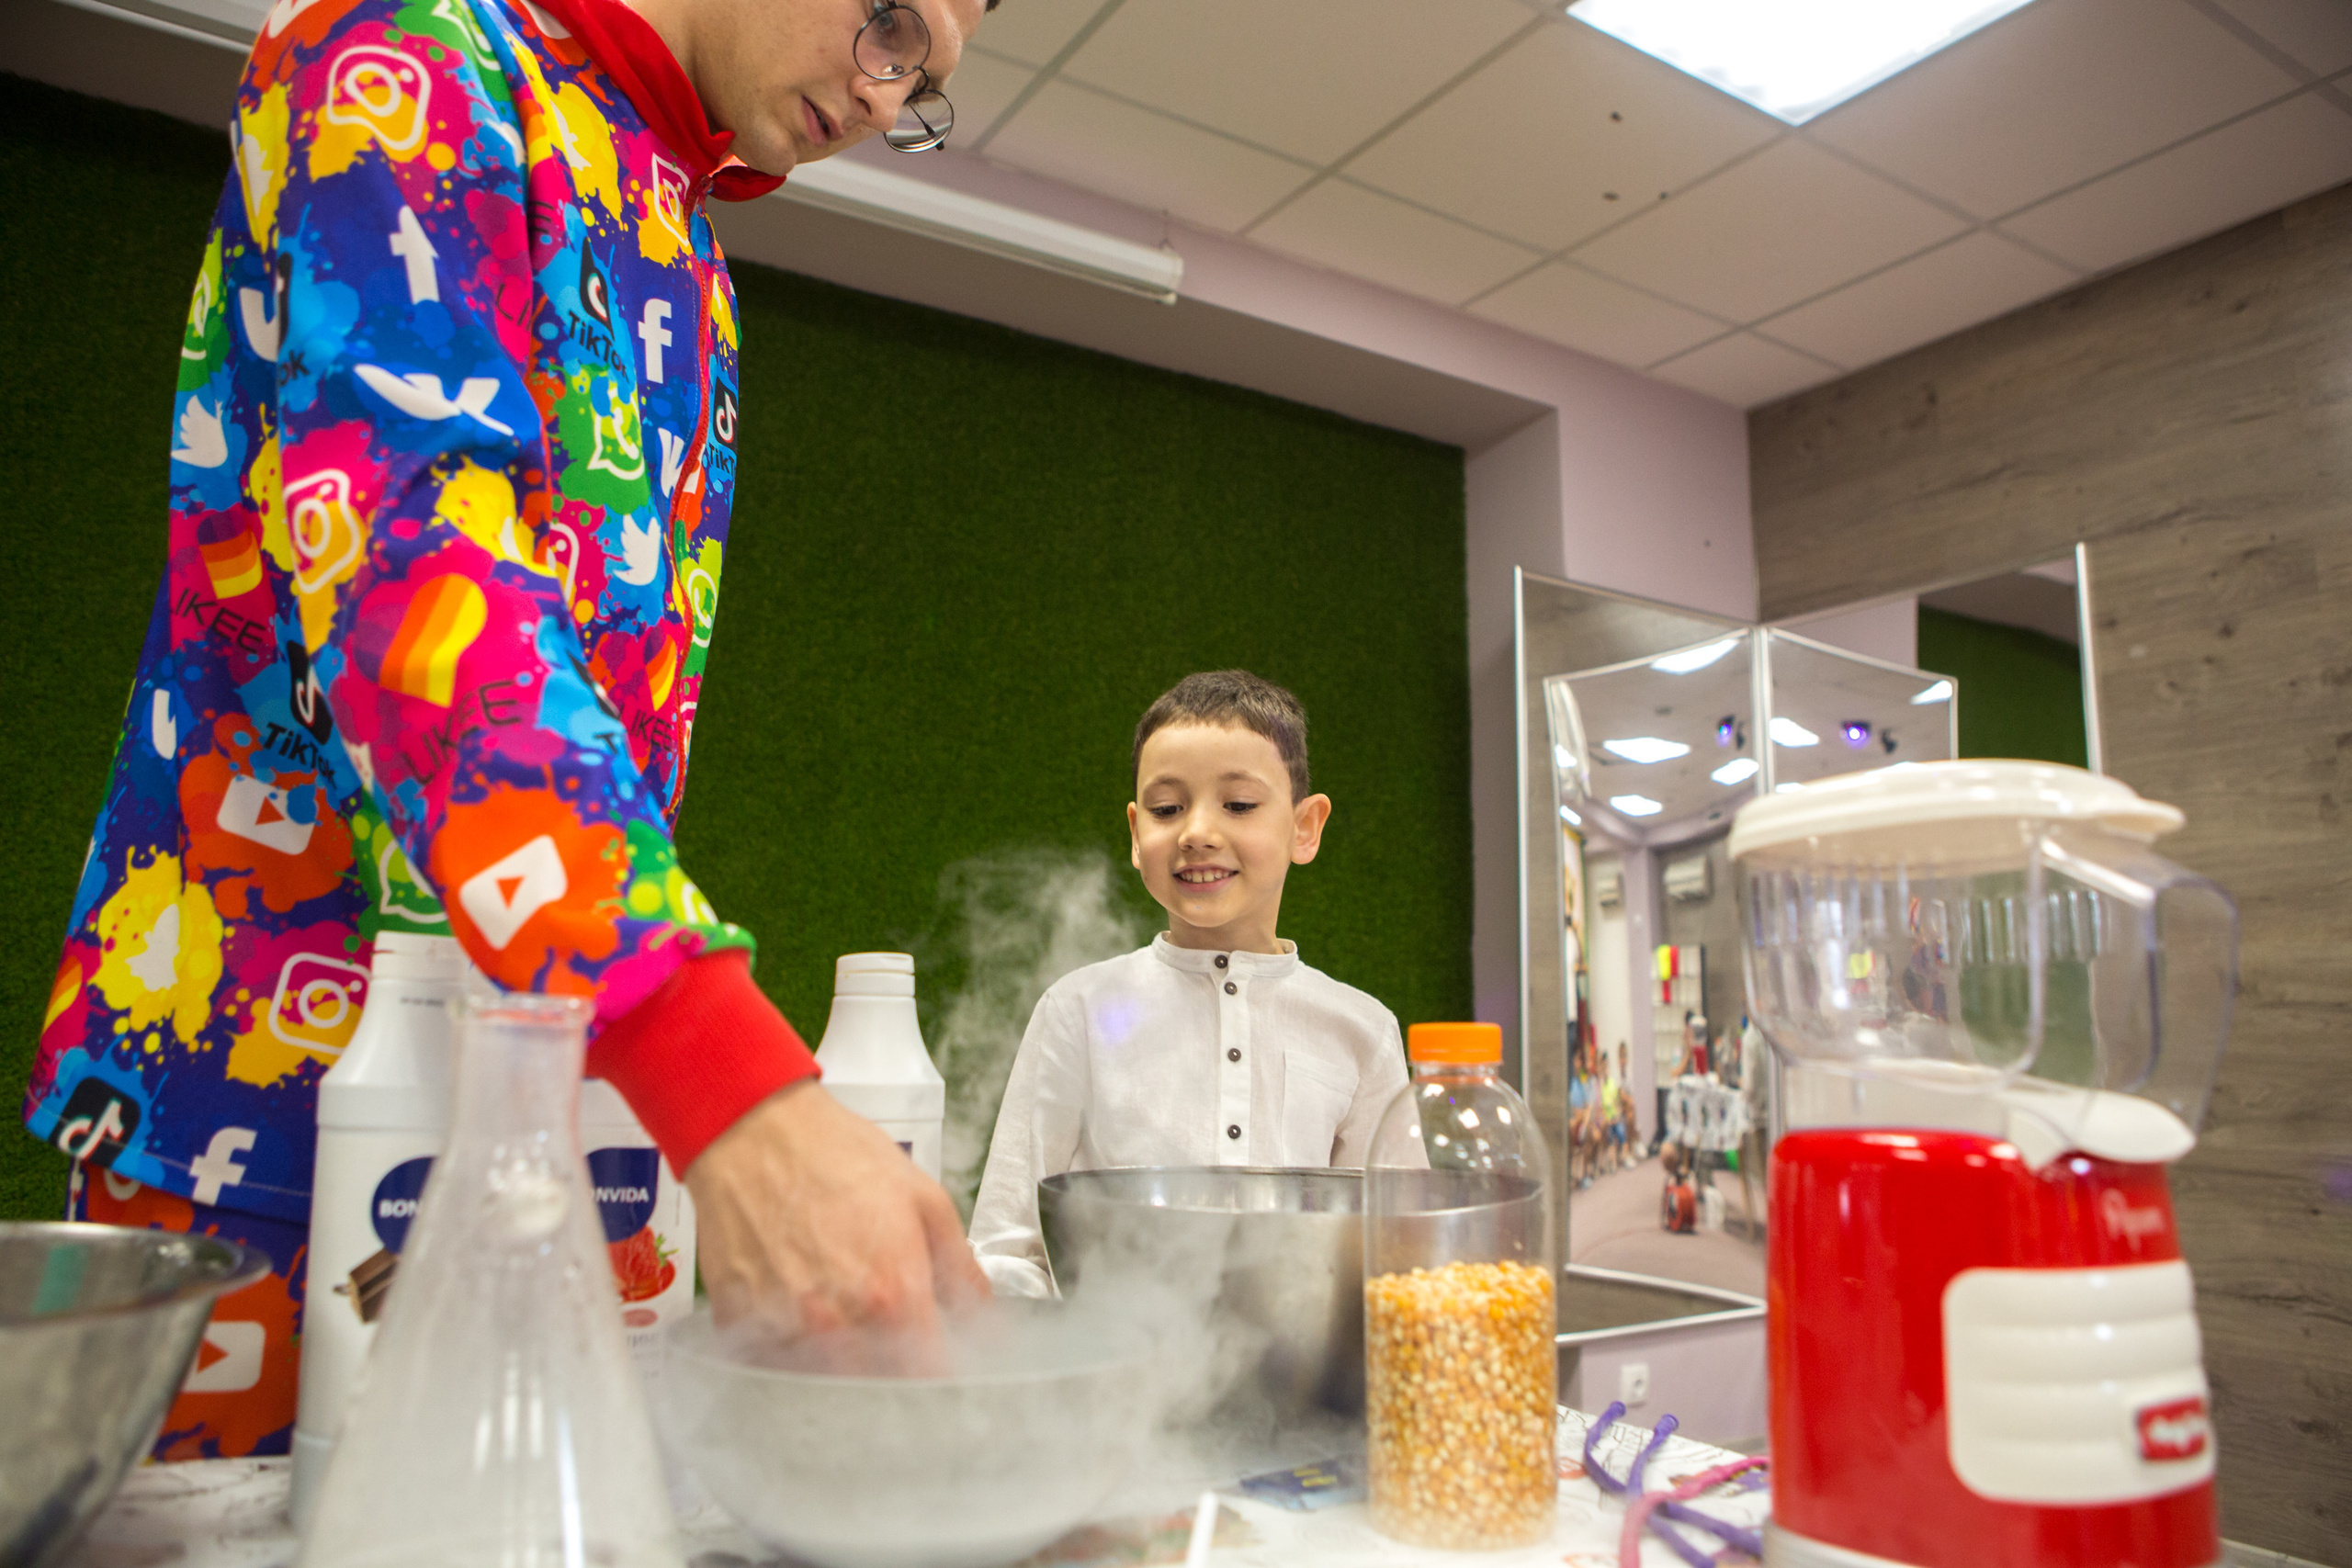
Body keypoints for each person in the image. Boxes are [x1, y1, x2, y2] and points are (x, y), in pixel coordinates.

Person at [22, 0, 994, 1459]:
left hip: (547, 1120)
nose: (882, 96)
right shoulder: (404, 54)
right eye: (887, 26)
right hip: (257, 1099)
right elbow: (415, 572)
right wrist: (716, 1070)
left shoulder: (687, 247)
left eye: (919, 83)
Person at [967, 671, 1409, 1297]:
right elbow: (1007, 1248)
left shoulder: (1362, 1029)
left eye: (1238, 804)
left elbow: (1396, 1257)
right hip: (1108, 1382)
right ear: (1134, 832)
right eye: (1167, 808)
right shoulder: (1079, 1009)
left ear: (1305, 826)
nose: (1197, 831)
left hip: (1305, 1388)